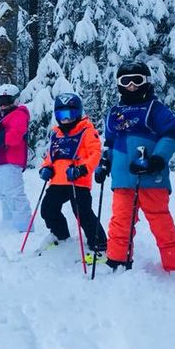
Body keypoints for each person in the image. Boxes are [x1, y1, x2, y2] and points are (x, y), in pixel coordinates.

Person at [94, 61, 175, 273]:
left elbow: (173, 134)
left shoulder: (155, 109)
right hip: (122, 178)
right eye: (125, 81)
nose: (131, 86)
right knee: (120, 222)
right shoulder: (114, 112)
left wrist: (157, 159)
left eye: (137, 80)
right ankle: (117, 261)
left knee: (161, 223)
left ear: (146, 82)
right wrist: (104, 162)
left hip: (151, 177)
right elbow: (110, 142)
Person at [37, 93, 107, 260]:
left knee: (83, 213)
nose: (66, 119)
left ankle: (99, 244)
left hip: (78, 181)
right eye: (62, 115)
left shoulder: (87, 131)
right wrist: (45, 168)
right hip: (58, 180)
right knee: (47, 209)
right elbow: (51, 156)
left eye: (70, 115)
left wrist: (82, 169)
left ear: (78, 113)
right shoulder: (56, 134)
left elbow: (95, 153)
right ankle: (60, 235)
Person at [0, 84, 33, 231]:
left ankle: (24, 228)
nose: (2, 106)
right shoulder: (3, 118)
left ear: (15, 100)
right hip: (1, 161)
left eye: (6, 101)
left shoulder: (19, 114)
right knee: (4, 194)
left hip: (12, 160)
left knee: (14, 194)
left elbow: (14, 137)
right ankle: (9, 225)